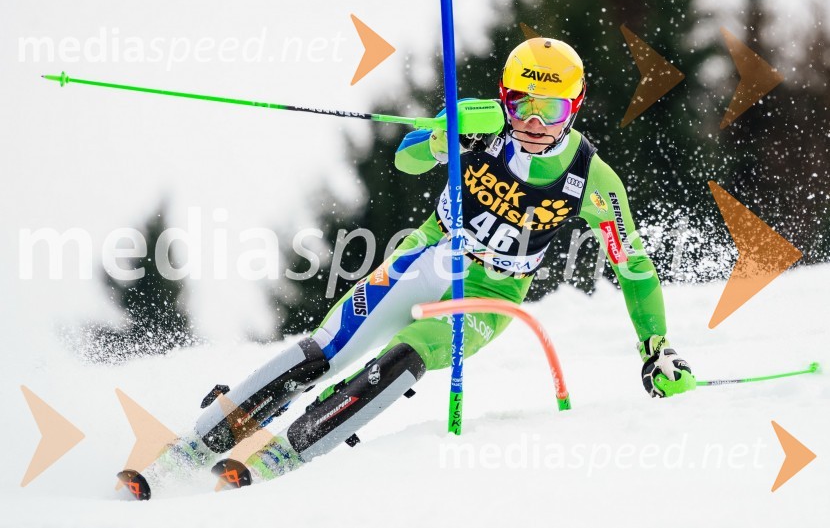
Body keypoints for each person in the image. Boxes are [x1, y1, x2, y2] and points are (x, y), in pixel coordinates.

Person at [123, 37, 696, 496]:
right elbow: (408, 156)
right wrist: (448, 137)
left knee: (408, 355)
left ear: (575, 106)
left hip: (489, 293)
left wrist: (656, 346)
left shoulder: (592, 181)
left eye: (551, 110)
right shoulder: (481, 123)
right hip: (425, 254)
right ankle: (198, 443)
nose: (532, 121)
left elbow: (635, 267)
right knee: (324, 350)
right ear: (504, 97)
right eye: (520, 104)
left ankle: (296, 447)